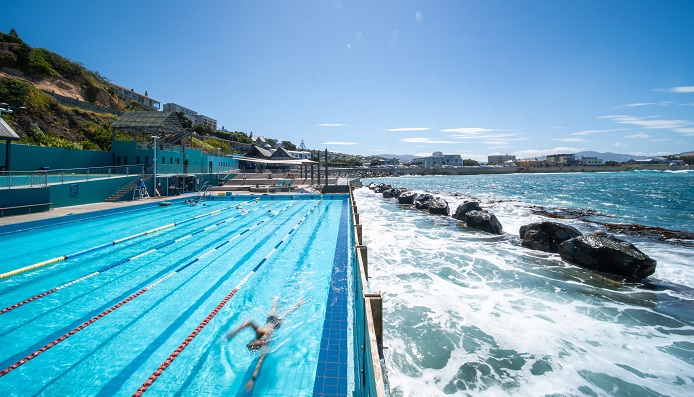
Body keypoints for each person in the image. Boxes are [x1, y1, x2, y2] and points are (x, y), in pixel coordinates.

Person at [226, 297, 304, 391]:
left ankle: (276, 299)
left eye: (254, 343)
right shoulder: (265, 345)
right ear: (257, 346)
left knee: (273, 309)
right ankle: (298, 304)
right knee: (287, 313)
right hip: (277, 324)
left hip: (270, 321)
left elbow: (249, 322)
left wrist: (234, 333)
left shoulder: (260, 333)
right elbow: (259, 363)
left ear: (254, 341)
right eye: (257, 345)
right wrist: (252, 380)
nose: (257, 343)